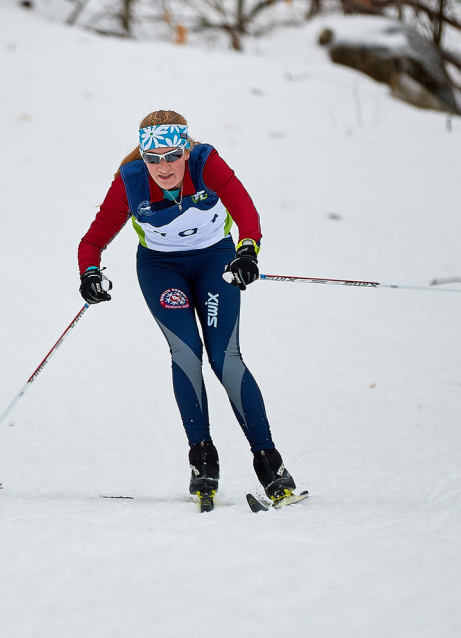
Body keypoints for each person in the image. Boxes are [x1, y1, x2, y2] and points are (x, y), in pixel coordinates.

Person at [77, 110, 297, 509]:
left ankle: (270, 464)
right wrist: (89, 274)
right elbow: (91, 242)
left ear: (186, 149)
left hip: (216, 261)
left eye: (171, 155)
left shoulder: (206, 162)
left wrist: (247, 252)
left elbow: (246, 213)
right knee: (186, 353)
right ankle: (203, 460)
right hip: (161, 268)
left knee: (225, 357)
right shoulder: (130, 180)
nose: (162, 166)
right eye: (152, 157)